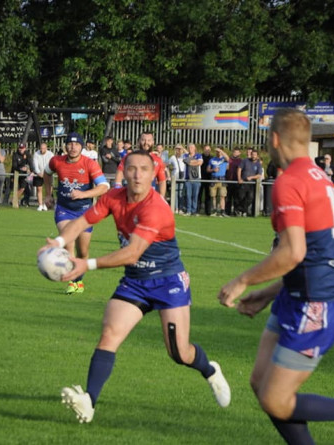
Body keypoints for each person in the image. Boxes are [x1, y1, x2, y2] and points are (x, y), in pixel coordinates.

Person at [217, 108, 334, 445]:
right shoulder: (319, 176)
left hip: (317, 301)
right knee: (261, 384)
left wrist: (243, 280)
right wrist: (269, 293)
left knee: (276, 400)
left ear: (275, 139)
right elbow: (313, 252)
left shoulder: (290, 181)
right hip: (297, 293)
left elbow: (293, 252)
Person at [40, 151, 231, 424]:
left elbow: (132, 253)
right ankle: (89, 401)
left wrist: (87, 264)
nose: (137, 175)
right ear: (124, 172)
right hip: (135, 283)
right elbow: (82, 221)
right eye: (131, 169)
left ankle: (210, 370)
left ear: (153, 174)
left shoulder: (155, 207)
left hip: (168, 282)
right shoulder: (113, 197)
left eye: (144, 169)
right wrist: (58, 243)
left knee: (179, 353)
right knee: (109, 334)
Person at [44, 132, 109, 294]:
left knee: (83, 252)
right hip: (64, 210)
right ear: (65, 146)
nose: (73, 147)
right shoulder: (56, 161)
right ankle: (72, 282)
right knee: (69, 242)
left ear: (82, 147)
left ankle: (78, 281)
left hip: (85, 213)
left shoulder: (89, 164)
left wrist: (83, 194)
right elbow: (46, 173)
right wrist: (48, 194)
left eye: (77, 144)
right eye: (70, 144)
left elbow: (104, 187)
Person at [113, 132, 167, 196]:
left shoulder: (158, 160)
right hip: (131, 196)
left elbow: (162, 181)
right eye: (143, 140)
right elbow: (120, 171)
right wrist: (117, 188)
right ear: (139, 141)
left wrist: (161, 197)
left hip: (149, 197)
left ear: (153, 142)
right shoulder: (130, 157)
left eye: (149, 140)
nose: (146, 143)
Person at [237, 150, 263, 217]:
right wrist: (239, 178)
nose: (253, 156)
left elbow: (259, 175)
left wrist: (251, 177)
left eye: (255, 155)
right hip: (243, 183)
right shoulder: (245, 161)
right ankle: (240, 211)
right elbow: (239, 169)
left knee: (250, 198)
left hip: (252, 184)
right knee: (241, 197)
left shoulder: (258, 164)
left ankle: (243, 210)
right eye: (252, 154)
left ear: (257, 156)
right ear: (251, 155)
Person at [207, 147, 229, 217]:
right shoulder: (212, 159)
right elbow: (208, 169)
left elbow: (228, 158)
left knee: (222, 196)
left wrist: (221, 151)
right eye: (217, 151)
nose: (218, 153)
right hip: (213, 179)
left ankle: (222, 211)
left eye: (219, 151)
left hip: (222, 179)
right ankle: (214, 211)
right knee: (213, 196)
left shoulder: (224, 159)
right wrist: (213, 170)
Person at [33, 142, 54, 211]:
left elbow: (52, 165)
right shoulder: (36, 154)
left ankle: (45, 204)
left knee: (48, 190)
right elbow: (35, 165)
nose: (42, 150)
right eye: (41, 148)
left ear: (46, 148)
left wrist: (47, 173)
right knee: (39, 189)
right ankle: (40, 205)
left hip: (48, 173)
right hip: (39, 174)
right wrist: (39, 173)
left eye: (43, 148)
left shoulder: (51, 154)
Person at [183, 143, 203, 216]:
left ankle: (194, 211)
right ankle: (188, 210)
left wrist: (191, 162)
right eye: (189, 147)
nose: (190, 149)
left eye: (192, 147)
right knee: (188, 195)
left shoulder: (199, 155)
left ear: (195, 148)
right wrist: (195, 162)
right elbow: (186, 161)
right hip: (188, 178)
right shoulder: (185, 155)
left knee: (195, 195)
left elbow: (200, 163)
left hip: (196, 178)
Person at [12, 142, 33, 207]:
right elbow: (14, 166)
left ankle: (21, 201)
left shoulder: (27, 154)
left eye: (22, 148)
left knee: (25, 189)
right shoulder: (15, 155)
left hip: (25, 175)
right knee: (12, 189)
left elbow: (31, 163)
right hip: (16, 174)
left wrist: (30, 170)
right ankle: (13, 201)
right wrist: (21, 169)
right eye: (20, 148)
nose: (21, 150)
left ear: (25, 148)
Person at [168, 144, 187, 214]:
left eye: (179, 149)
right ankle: (176, 208)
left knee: (181, 192)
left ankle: (180, 208)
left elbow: (189, 154)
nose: (178, 150)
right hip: (175, 176)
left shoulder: (184, 156)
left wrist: (182, 148)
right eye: (177, 149)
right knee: (175, 193)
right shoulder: (172, 157)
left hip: (182, 176)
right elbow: (167, 165)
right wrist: (170, 171)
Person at [225, 148, 243, 216]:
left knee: (236, 198)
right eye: (234, 152)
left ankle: (236, 212)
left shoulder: (241, 161)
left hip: (236, 181)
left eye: (237, 152)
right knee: (228, 197)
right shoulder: (229, 160)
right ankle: (227, 212)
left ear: (239, 153)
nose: (235, 153)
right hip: (229, 181)